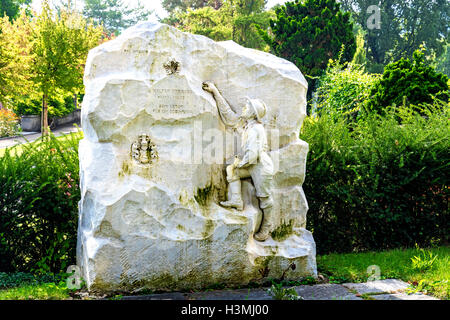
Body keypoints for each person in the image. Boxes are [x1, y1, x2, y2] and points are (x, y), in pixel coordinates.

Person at [202, 81, 274, 241]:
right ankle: (236, 200)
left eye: (248, 107)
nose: (244, 108)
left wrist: (240, 163)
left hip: (261, 167)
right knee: (231, 170)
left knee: (265, 198)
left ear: (254, 114)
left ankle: (266, 229)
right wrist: (215, 91)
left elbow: (253, 154)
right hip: (251, 164)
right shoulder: (245, 124)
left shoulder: (256, 129)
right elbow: (228, 116)